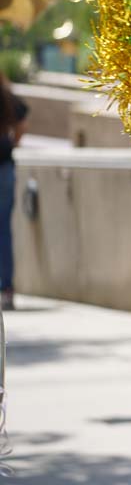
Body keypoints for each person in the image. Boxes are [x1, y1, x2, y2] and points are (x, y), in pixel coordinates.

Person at [0, 72, 28, 312]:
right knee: (4, 230)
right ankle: (6, 288)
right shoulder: (6, 97)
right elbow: (21, 125)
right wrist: (12, 143)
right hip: (4, 167)